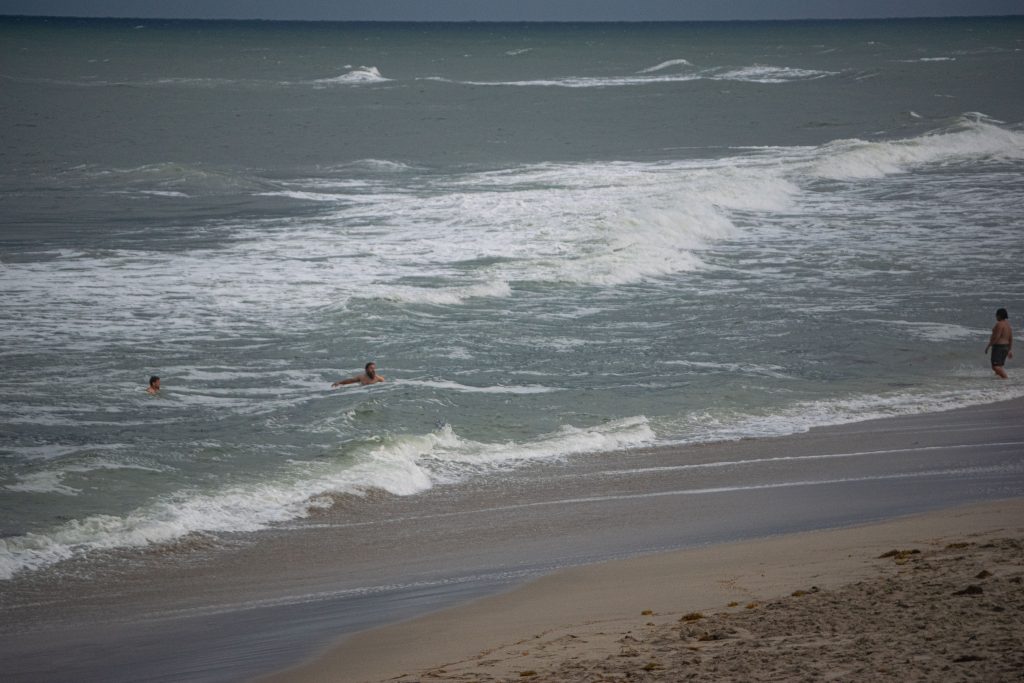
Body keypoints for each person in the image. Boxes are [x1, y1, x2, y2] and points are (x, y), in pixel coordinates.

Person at [985, 308, 1013, 379]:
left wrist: (988, 346)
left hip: (999, 347)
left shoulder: (999, 324)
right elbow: (1011, 338)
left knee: (995, 366)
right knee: (999, 365)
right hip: (1005, 347)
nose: (996, 317)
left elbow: (997, 337)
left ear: (999, 316)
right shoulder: (1008, 325)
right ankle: (999, 383)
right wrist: (1009, 350)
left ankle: (1005, 378)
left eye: (996, 315)